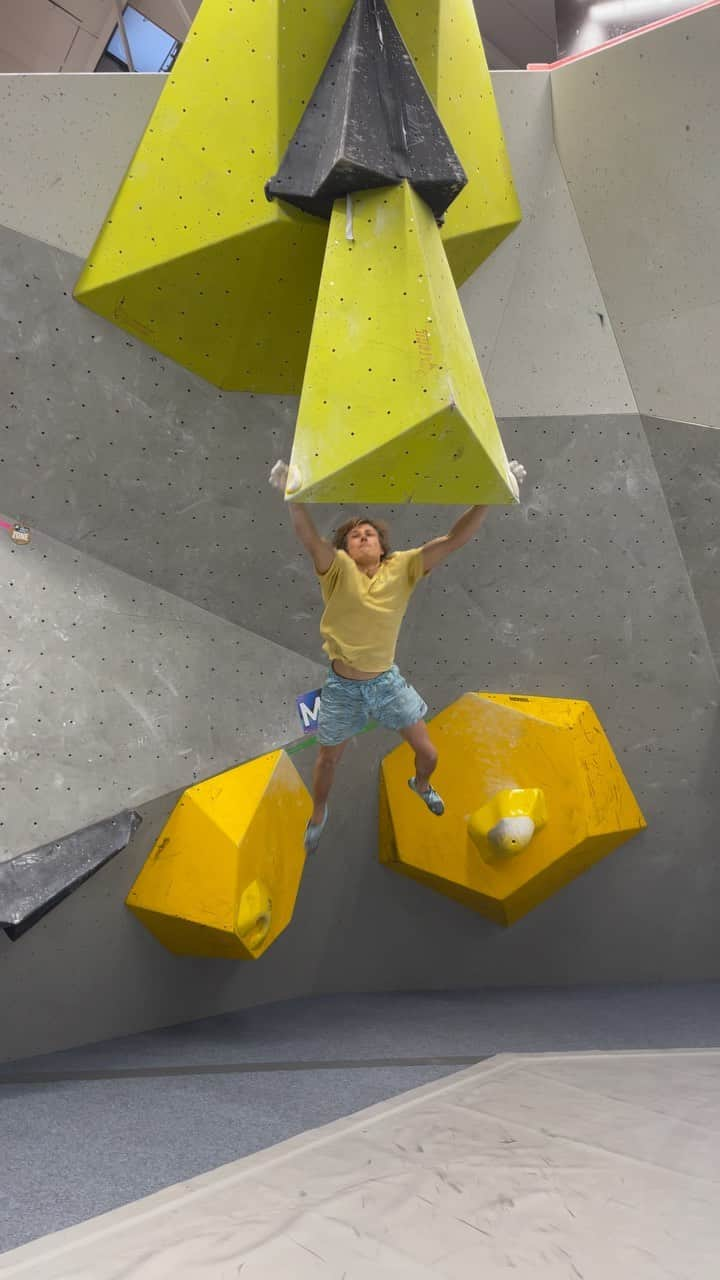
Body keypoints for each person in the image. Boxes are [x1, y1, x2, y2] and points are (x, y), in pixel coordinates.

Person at [269, 459, 527, 853]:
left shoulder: (403, 567)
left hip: (385, 682)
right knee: (327, 760)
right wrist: (292, 497)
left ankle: (420, 784)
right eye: (355, 536)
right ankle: (319, 811)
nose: (363, 537)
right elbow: (310, 539)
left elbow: (453, 539)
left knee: (428, 752)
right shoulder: (336, 569)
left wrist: (488, 498)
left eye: (370, 533)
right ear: (346, 548)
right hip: (342, 687)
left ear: (383, 546)